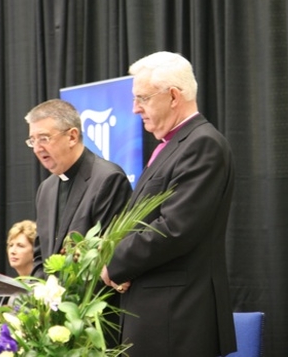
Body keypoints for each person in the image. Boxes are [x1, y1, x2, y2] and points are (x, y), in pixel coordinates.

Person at [100, 51, 238, 357]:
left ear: (173, 96)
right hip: (158, 316)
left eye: (143, 98)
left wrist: (114, 263)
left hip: (176, 320)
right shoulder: (173, 146)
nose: (135, 108)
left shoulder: (202, 144)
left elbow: (175, 228)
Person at [24, 99, 133, 277]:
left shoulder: (108, 179)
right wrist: (39, 297)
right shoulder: (46, 189)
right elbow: (40, 257)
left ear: (72, 137)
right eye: (32, 140)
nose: (37, 148)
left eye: (44, 138)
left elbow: (109, 256)